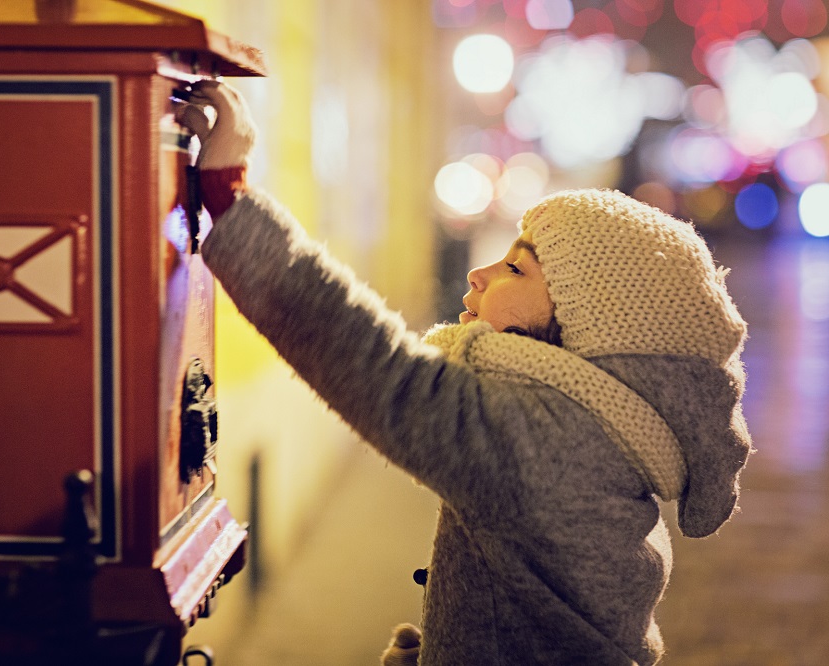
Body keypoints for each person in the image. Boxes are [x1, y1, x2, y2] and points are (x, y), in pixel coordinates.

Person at [176, 81, 752, 665]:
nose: (478, 274)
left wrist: (232, 196)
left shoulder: (551, 444)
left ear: (589, 331)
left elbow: (375, 367)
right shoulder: (603, 440)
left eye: (514, 269)